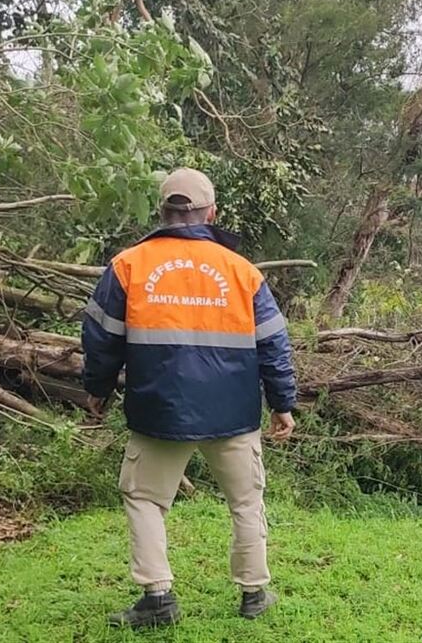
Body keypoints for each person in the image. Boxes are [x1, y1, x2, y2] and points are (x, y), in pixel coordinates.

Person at [81, 167, 297, 629]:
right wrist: (282, 403)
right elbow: (274, 344)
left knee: (144, 498)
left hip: (160, 411)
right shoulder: (242, 271)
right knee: (245, 501)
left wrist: (98, 389)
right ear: (211, 213)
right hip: (234, 413)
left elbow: (101, 339)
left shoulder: (128, 266)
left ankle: (157, 597)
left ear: (163, 212)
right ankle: (254, 593)